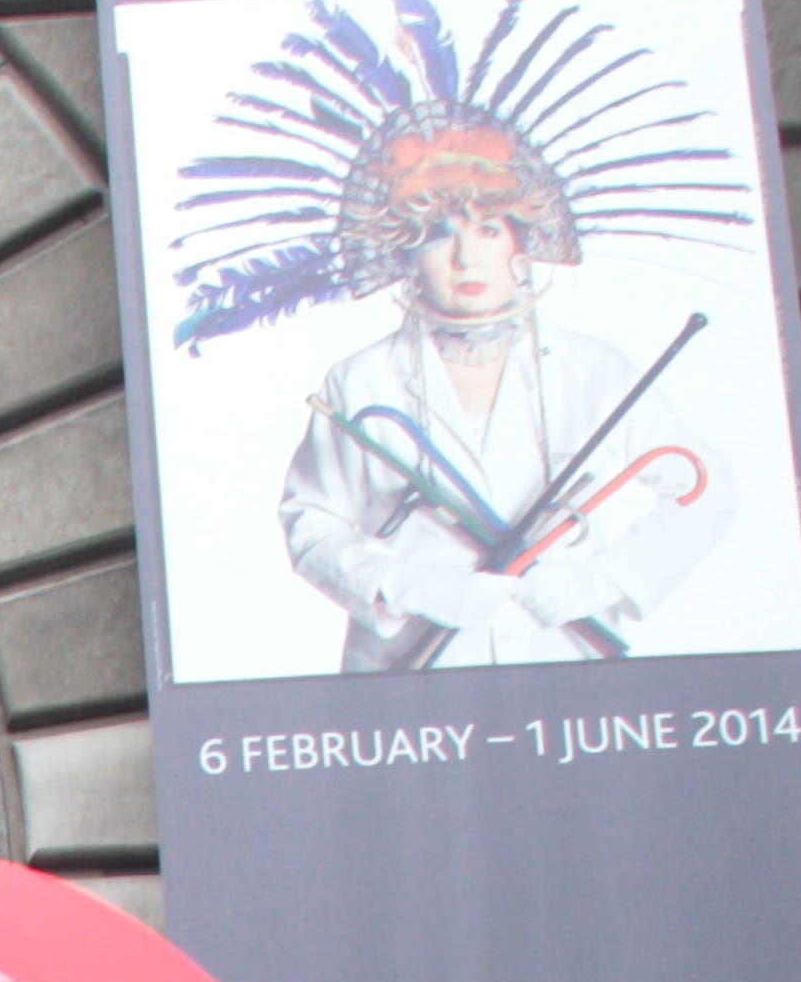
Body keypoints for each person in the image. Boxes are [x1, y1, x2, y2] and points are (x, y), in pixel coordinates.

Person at [270, 114, 734, 670]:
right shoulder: (360, 380)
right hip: (412, 678)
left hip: (565, 665)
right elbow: (311, 521)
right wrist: (408, 587)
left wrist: (604, 580)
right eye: (440, 234)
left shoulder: (597, 370)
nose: (466, 258)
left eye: (488, 229)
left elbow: (704, 490)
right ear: (406, 256)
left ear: (520, 244)